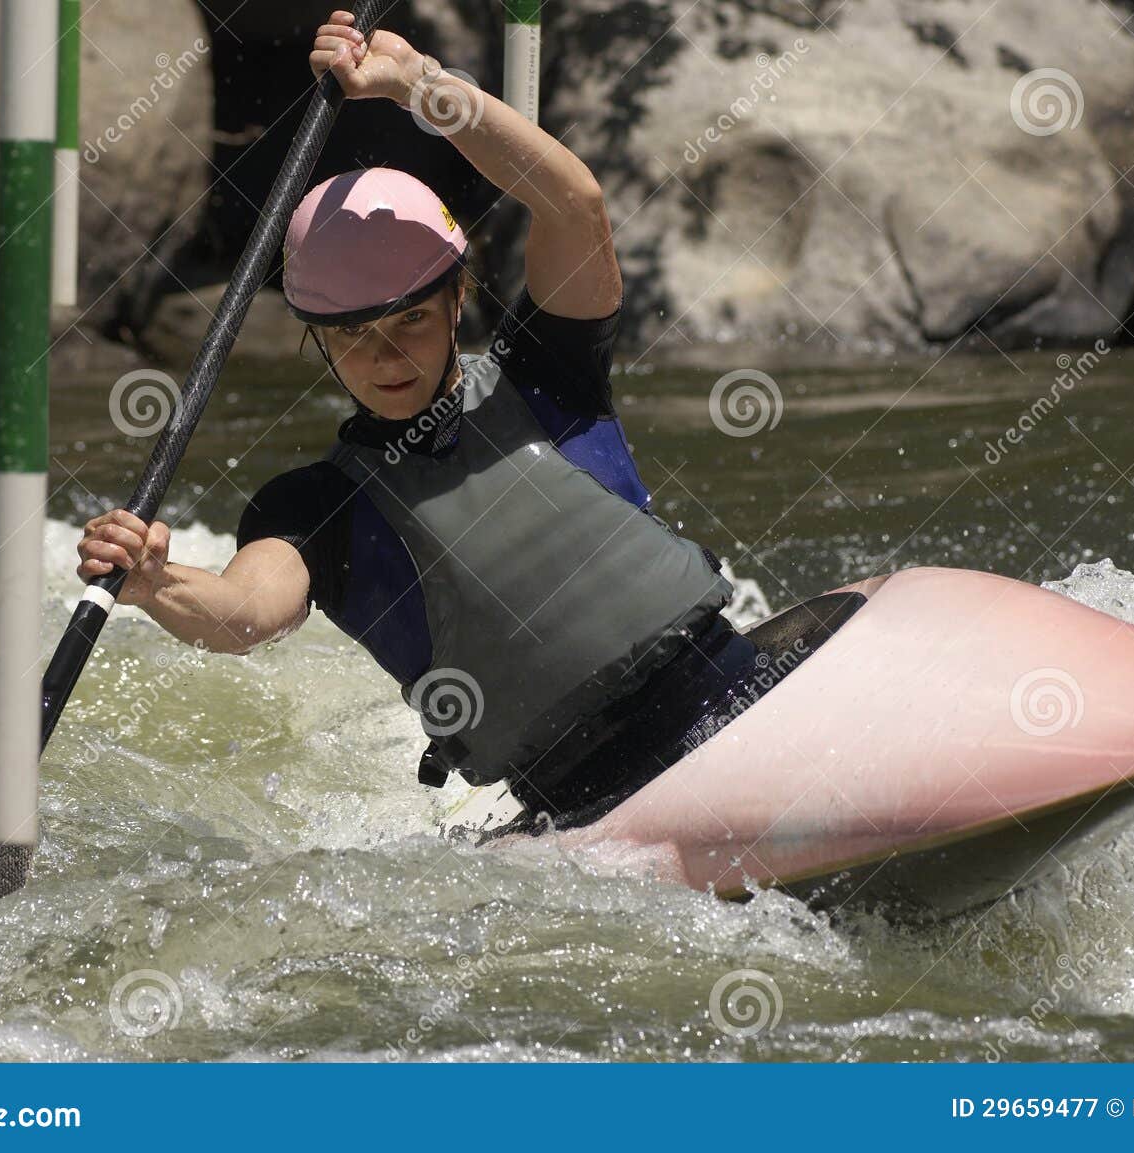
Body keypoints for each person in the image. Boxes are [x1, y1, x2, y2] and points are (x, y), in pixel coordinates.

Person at [75, 11, 773, 831]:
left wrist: (419, 86)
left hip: (741, 699)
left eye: (409, 319)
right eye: (352, 336)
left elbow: (573, 202)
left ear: (458, 298)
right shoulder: (314, 509)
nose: (385, 356)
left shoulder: (546, 373)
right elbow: (242, 614)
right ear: (320, 344)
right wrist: (155, 583)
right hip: (588, 807)